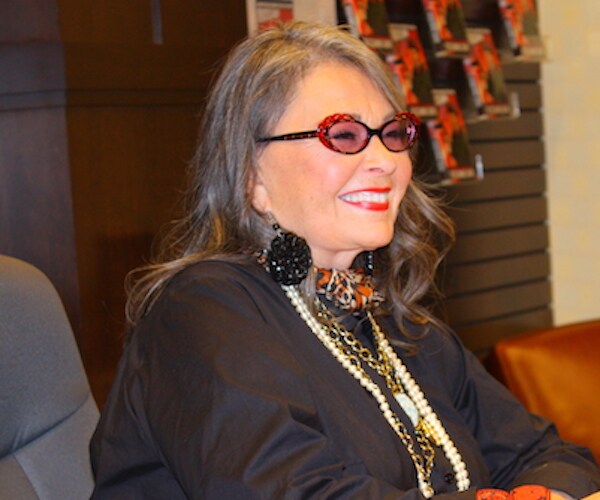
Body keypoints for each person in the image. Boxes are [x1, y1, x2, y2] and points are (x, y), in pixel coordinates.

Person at [90, 21, 600, 499]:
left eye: (393, 134)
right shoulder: (202, 311)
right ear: (251, 176)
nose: (385, 161)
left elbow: (550, 456)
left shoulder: (400, 326)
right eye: (344, 135)